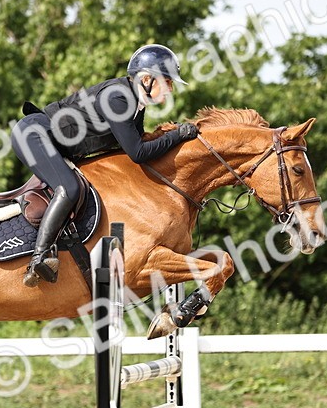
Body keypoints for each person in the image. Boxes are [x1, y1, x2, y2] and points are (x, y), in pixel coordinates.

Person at [11, 43, 200, 286]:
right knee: (69, 189)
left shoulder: (135, 103)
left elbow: (134, 145)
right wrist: (178, 135)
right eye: (168, 82)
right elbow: (138, 152)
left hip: (52, 143)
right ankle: (39, 257)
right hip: (34, 135)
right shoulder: (118, 99)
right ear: (146, 79)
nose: (170, 90)